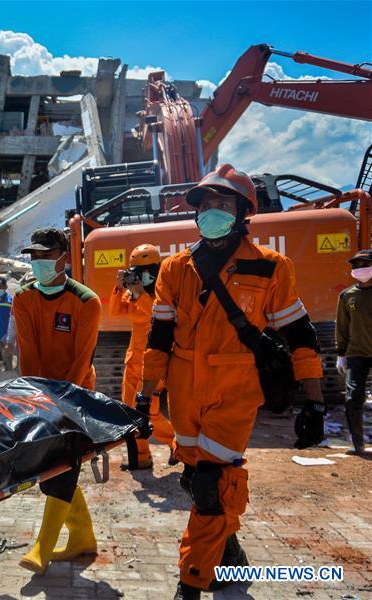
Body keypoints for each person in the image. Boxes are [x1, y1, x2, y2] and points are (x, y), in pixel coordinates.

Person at [140, 164, 325, 599]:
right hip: (184, 393)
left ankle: (191, 582)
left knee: (210, 484)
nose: (211, 212)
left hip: (234, 391)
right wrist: (144, 399)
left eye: (222, 204)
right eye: (205, 205)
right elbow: (158, 338)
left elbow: (300, 336)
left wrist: (315, 403)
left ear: (243, 213)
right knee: (194, 480)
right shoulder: (174, 269)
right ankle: (231, 558)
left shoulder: (271, 269)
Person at [12, 227, 100, 575]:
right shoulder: (23, 297)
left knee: (62, 468)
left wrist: (64, 402)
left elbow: (82, 360)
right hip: (39, 394)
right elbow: (28, 352)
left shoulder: (85, 301)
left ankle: (42, 547)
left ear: (63, 257)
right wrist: (33, 398)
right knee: (50, 470)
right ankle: (83, 538)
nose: (39, 263)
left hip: (76, 397)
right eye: (34, 257)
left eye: (46, 256)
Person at [109, 244, 177, 470]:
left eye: (145, 270)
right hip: (133, 361)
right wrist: (119, 289)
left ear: (156, 270)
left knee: (151, 413)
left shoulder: (163, 293)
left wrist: (140, 294)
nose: (140, 276)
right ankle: (141, 458)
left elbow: (155, 314)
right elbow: (115, 312)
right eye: (136, 271)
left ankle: (176, 443)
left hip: (154, 363)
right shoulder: (132, 295)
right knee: (131, 412)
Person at [336, 248, 372, 455]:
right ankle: (358, 444)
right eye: (356, 266)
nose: (360, 269)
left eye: (364, 265)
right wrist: (341, 354)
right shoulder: (347, 296)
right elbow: (342, 326)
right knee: (352, 399)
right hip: (356, 354)